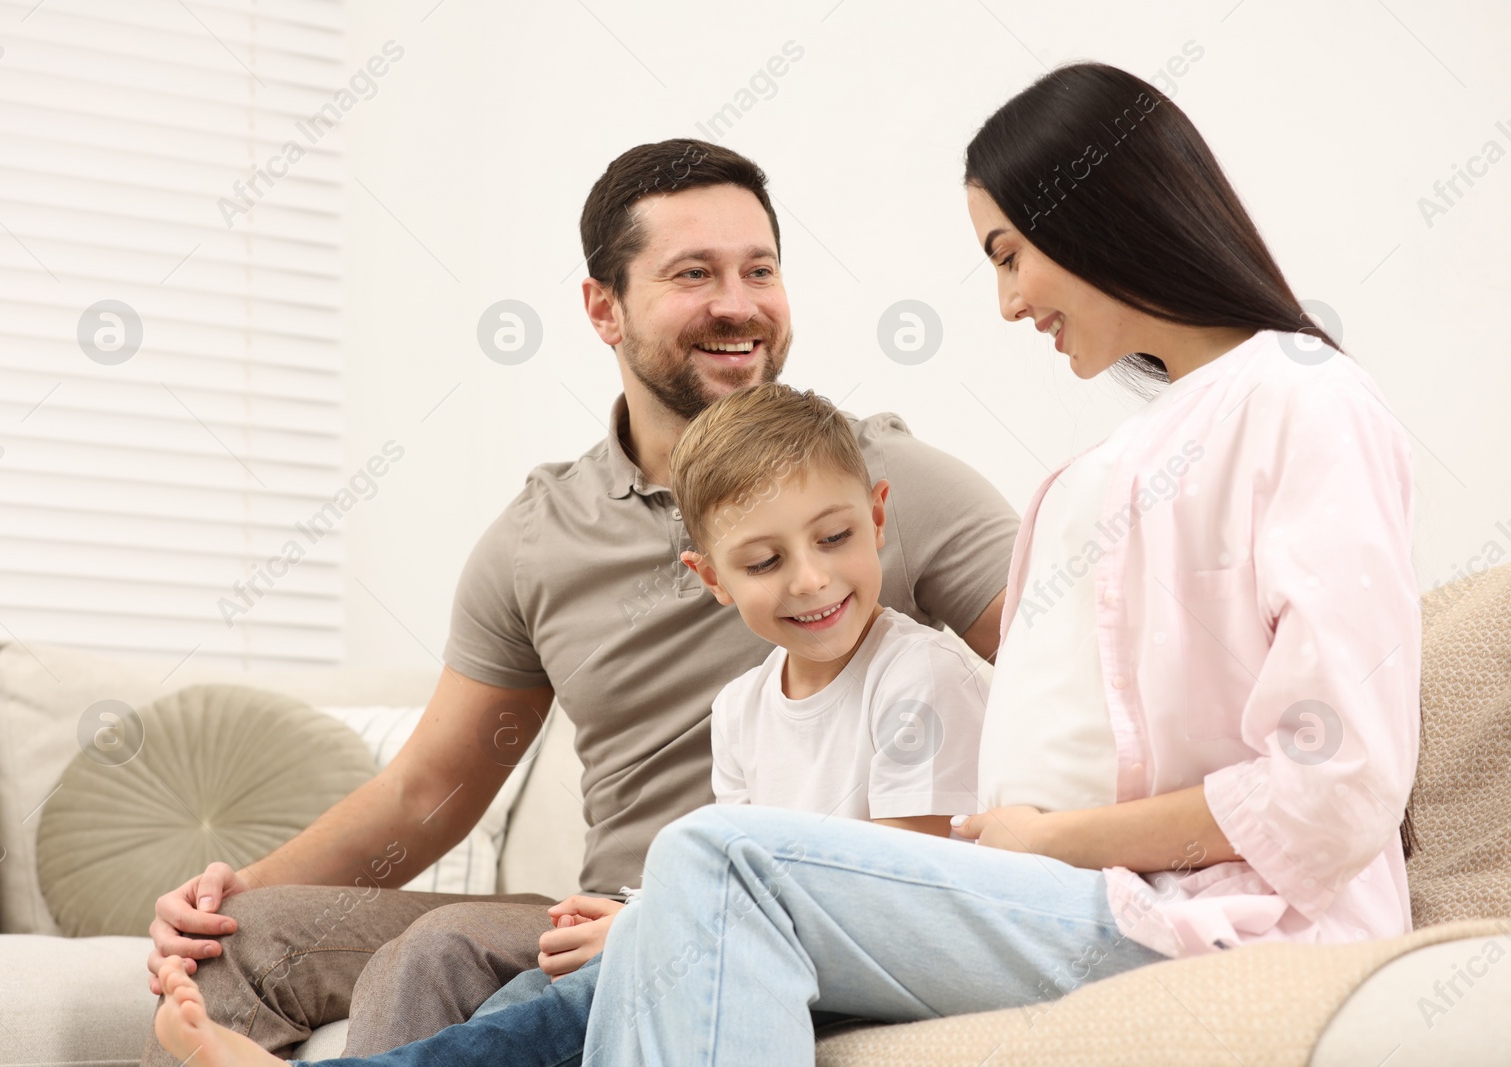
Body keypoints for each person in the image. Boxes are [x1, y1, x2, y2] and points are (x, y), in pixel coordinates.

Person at [581, 61, 1422, 1065]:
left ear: (1099, 217)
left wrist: (1051, 838)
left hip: (1213, 915)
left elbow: (1335, 788)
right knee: (668, 906)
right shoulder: (1139, 447)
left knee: (720, 859)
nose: (1008, 301)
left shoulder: (1303, 399)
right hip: (1079, 891)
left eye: (1009, 253)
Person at [139, 139, 1019, 1064]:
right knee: (234, 947)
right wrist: (220, 897)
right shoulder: (539, 534)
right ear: (604, 307)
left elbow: (1060, 685)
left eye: (760, 269)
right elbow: (429, 786)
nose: (738, 302)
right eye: (694, 272)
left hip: (791, 911)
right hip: (597, 907)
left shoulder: (886, 482)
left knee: (432, 951)